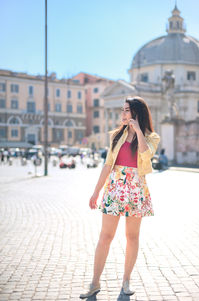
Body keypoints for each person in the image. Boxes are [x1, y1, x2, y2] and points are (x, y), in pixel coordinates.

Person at [80, 96, 160, 299]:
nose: (122, 114)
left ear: (136, 113)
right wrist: (96, 191)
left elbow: (145, 154)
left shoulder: (152, 137)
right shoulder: (116, 136)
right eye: (122, 110)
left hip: (136, 190)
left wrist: (138, 131)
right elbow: (108, 165)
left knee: (132, 237)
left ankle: (126, 281)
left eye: (126, 110)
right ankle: (94, 282)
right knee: (105, 236)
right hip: (115, 188)